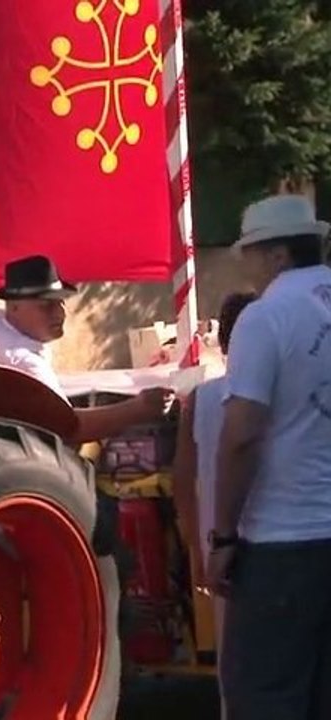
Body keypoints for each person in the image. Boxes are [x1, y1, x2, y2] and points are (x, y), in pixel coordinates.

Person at [207, 194, 331, 720]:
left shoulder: (268, 317)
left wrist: (224, 535)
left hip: (284, 540)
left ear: (275, 255)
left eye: (251, 258)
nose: (250, 272)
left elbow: (241, 437)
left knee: (265, 695)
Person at [0, 254, 173, 442]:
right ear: (13, 307)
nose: (59, 314)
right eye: (46, 306)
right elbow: (68, 428)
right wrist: (140, 408)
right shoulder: (24, 360)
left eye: (61, 303)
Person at [170, 290, 256, 720]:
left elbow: (182, 481)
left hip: (219, 544)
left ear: (222, 344)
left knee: (235, 660)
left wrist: (196, 549)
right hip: (289, 539)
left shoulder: (201, 400)